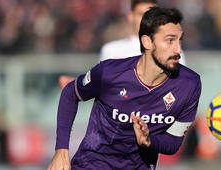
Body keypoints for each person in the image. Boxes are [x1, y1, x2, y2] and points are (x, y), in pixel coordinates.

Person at [48, 7, 201, 170]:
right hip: (93, 164)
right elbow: (70, 93)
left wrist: (149, 140)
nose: (178, 49)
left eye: (180, 40)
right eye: (170, 40)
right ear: (147, 42)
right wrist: (61, 152)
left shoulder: (190, 84)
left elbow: (173, 141)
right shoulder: (110, 72)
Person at [58, 0, 186, 90]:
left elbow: (181, 88)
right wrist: (76, 85)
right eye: (141, 14)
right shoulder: (111, 50)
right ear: (131, 16)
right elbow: (101, 87)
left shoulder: (172, 49)